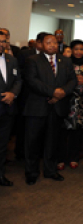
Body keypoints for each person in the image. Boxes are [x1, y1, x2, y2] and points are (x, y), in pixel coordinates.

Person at [23, 34, 77, 185]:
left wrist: (61, 93)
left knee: (52, 142)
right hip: (37, 107)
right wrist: (53, 92)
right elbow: (32, 81)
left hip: (57, 107)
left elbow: (72, 80)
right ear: (40, 44)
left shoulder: (65, 60)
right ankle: (31, 172)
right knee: (33, 142)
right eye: (48, 42)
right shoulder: (33, 60)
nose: (52, 45)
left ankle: (50, 170)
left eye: (54, 42)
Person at [57, 40, 83, 170]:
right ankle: (60, 158)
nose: (78, 52)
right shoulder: (66, 64)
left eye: (81, 49)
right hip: (65, 102)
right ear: (71, 50)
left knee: (77, 133)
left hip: (81, 104)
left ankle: (73, 157)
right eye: (76, 49)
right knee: (62, 132)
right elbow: (59, 82)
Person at [14, 32, 47, 160]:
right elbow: (19, 73)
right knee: (23, 127)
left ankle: (38, 153)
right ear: (38, 43)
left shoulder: (51, 57)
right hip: (27, 96)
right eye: (46, 42)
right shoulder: (25, 54)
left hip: (44, 98)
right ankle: (21, 153)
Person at [0, 31, 22, 186]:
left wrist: (13, 94)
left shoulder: (11, 60)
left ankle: (0, 175)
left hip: (8, 109)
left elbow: (18, 80)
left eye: (3, 41)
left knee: (2, 145)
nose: (1, 44)